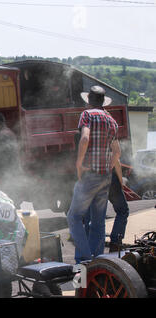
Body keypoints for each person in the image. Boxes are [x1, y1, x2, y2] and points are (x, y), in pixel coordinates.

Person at [67, 86, 120, 264]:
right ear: (103, 102)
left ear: (89, 100)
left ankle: (84, 258)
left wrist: (79, 163)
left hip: (89, 174)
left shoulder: (87, 115)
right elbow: (117, 152)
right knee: (98, 221)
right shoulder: (112, 121)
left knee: (74, 217)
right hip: (105, 176)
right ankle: (98, 261)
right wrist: (108, 168)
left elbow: (84, 139)